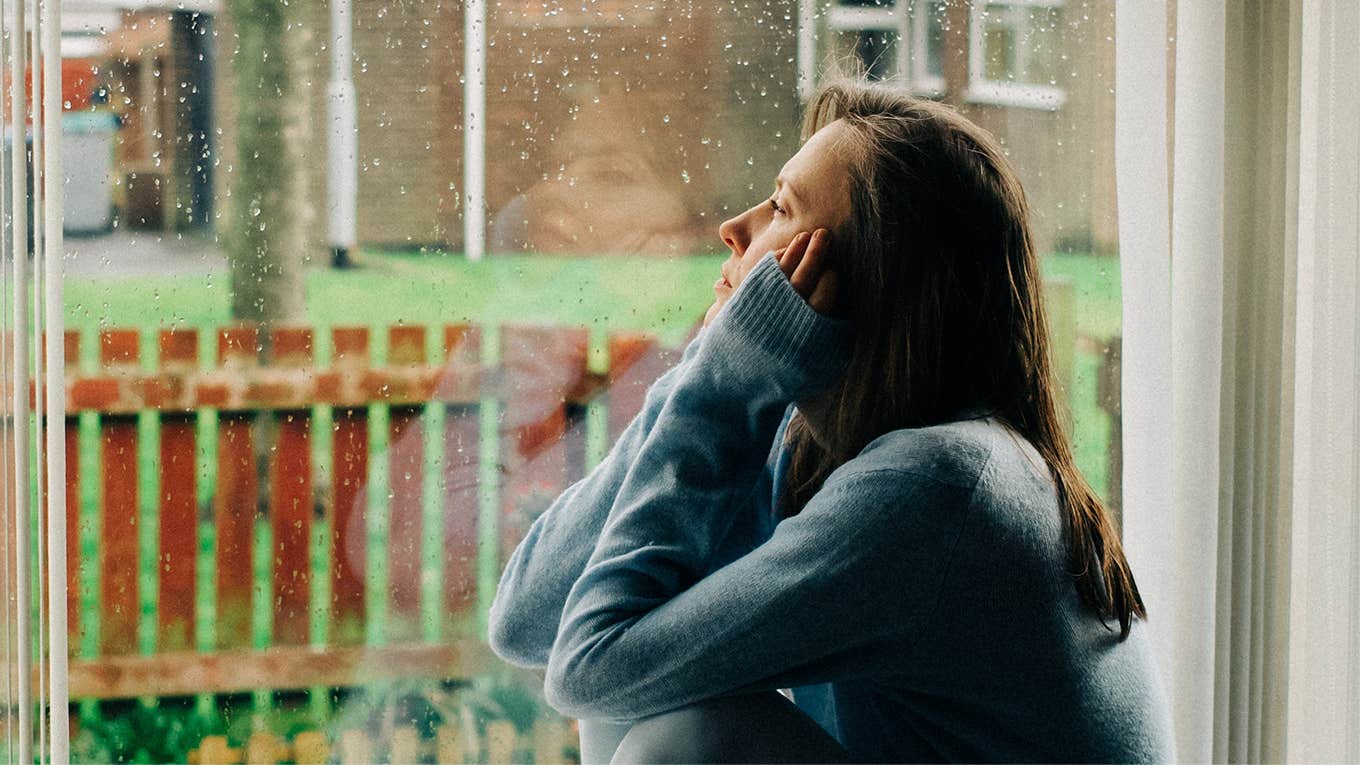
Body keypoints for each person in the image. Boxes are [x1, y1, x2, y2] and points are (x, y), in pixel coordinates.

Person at [487, 78, 1175, 763]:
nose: (734, 227)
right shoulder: (822, 450)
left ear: (860, 276)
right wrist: (714, 372)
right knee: (661, 690)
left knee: (689, 738)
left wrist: (722, 381)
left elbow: (588, 671)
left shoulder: (938, 486)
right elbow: (526, 622)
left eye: (781, 207)